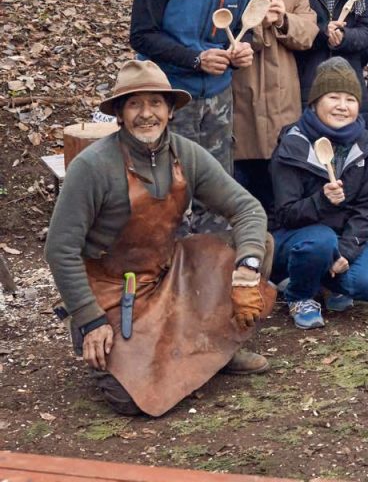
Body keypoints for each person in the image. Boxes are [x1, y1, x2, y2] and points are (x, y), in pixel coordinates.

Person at [44, 60, 273, 416]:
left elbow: (247, 208)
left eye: (155, 102)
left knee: (259, 245)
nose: (146, 114)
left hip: (167, 274)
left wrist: (248, 268)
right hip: (113, 291)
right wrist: (90, 319)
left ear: (170, 110)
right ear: (120, 114)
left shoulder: (186, 153)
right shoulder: (91, 167)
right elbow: (60, 249)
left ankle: (218, 347)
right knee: (127, 400)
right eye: (134, 104)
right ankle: (120, 346)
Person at [129, 0, 256, 192]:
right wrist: (195, 59)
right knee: (167, 190)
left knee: (216, 188)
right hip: (167, 93)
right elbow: (142, 35)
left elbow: (244, 26)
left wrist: (240, 50)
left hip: (218, 98)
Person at [270, 58, 368, 329]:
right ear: (315, 102)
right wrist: (321, 200)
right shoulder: (293, 144)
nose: (342, 106)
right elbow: (285, 214)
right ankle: (299, 295)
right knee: (320, 241)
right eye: (333, 97)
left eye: (350, 99)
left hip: (341, 237)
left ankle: (323, 281)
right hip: (295, 239)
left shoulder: (367, 146)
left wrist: (347, 250)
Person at [232, 0, 318, 212]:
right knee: (241, 181)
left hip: (283, 91)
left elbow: (309, 30)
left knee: (279, 179)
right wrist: (256, 21)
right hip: (241, 84)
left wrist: (283, 20)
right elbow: (219, 23)